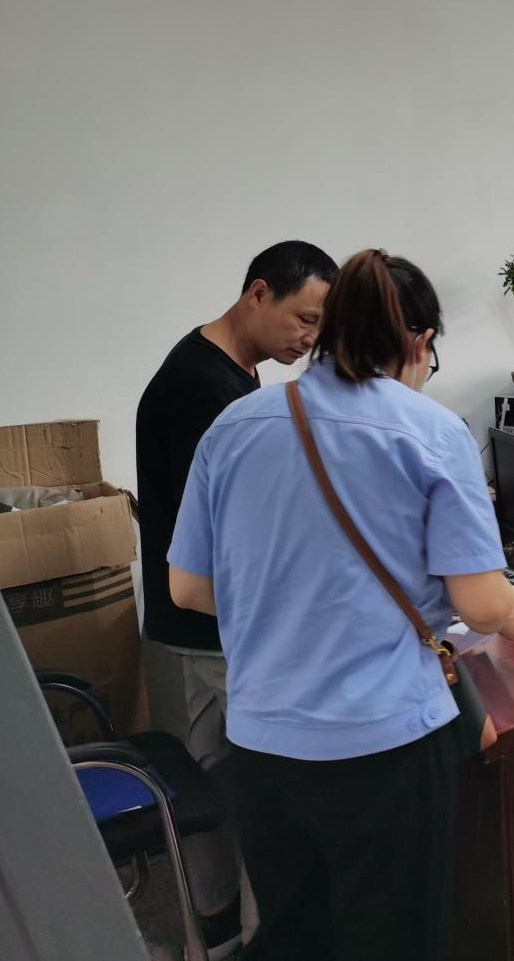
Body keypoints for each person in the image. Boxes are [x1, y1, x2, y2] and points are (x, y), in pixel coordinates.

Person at [168, 248, 514, 960]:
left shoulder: (234, 426)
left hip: (264, 747)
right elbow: (483, 605)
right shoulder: (433, 432)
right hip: (386, 750)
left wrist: (286, 601)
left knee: (296, 939)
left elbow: (187, 588)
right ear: (419, 344)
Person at [135, 239, 337, 955]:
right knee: (256, 799)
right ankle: (252, 936)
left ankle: (225, 927)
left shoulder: (228, 373)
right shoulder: (205, 391)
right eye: (304, 319)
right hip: (212, 633)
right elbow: (236, 533)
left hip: (204, 627)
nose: (309, 340)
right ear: (258, 294)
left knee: (224, 792)